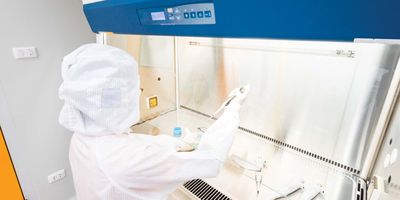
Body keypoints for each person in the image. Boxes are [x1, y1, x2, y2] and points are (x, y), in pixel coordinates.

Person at [58, 44, 248, 200]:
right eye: (134, 89)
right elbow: (211, 160)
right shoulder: (125, 160)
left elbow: (133, 147)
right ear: (111, 100)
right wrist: (232, 109)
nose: (140, 92)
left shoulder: (82, 137)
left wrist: (178, 143)